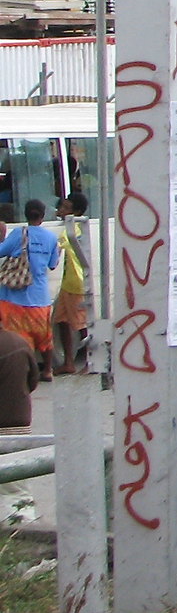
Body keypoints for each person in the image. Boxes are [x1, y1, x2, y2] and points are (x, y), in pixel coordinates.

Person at [0, 201, 61, 379]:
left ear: (25, 215)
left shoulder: (19, 233)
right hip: (40, 298)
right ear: (42, 216)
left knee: (17, 337)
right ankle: (48, 370)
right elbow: (52, 265)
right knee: (44, 337)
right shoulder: (50, 238)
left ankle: (23, 371)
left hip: (14, 298)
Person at [0, 318, 38, 525]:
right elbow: (33, 381)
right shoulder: (19, 342)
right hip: (19, 423)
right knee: (17, 487)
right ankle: (24, 530)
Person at [51, 193, 90, 376]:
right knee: (61, 321)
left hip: (77, 283)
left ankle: (92, 360)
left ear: (77, 212)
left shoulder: (73, 228)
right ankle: (69, 362)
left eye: (66, 208)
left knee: (82, 325)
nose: (61, 210)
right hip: (68, 283)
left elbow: (61, 244)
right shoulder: (71, 226)